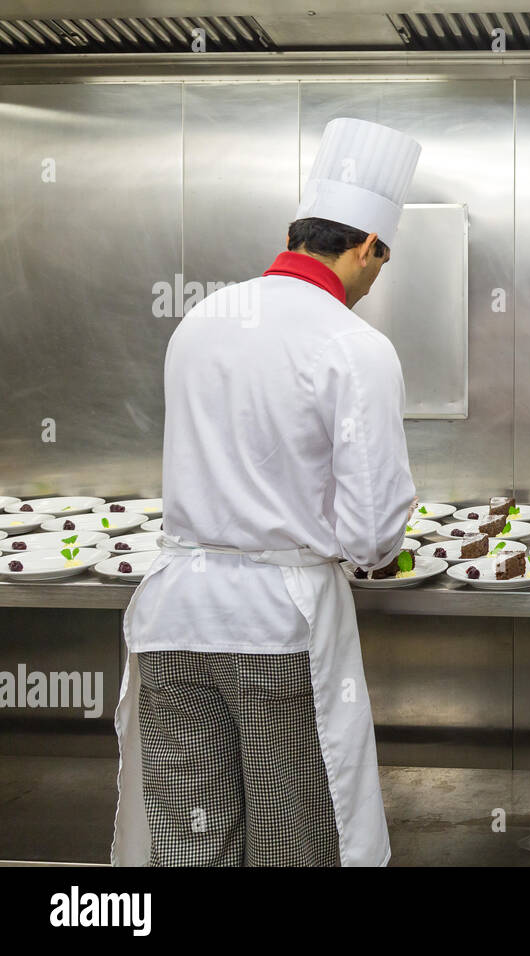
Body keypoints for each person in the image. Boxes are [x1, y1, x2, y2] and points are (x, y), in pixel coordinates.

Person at [111, 118, 422, 866]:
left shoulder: (200, 320)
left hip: (173, 619)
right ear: (366, 247)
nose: (377, 277)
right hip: (276, 631)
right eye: (382, 259)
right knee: (293, 841)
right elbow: (372, 534)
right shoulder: (354, 346)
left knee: (192, 841)